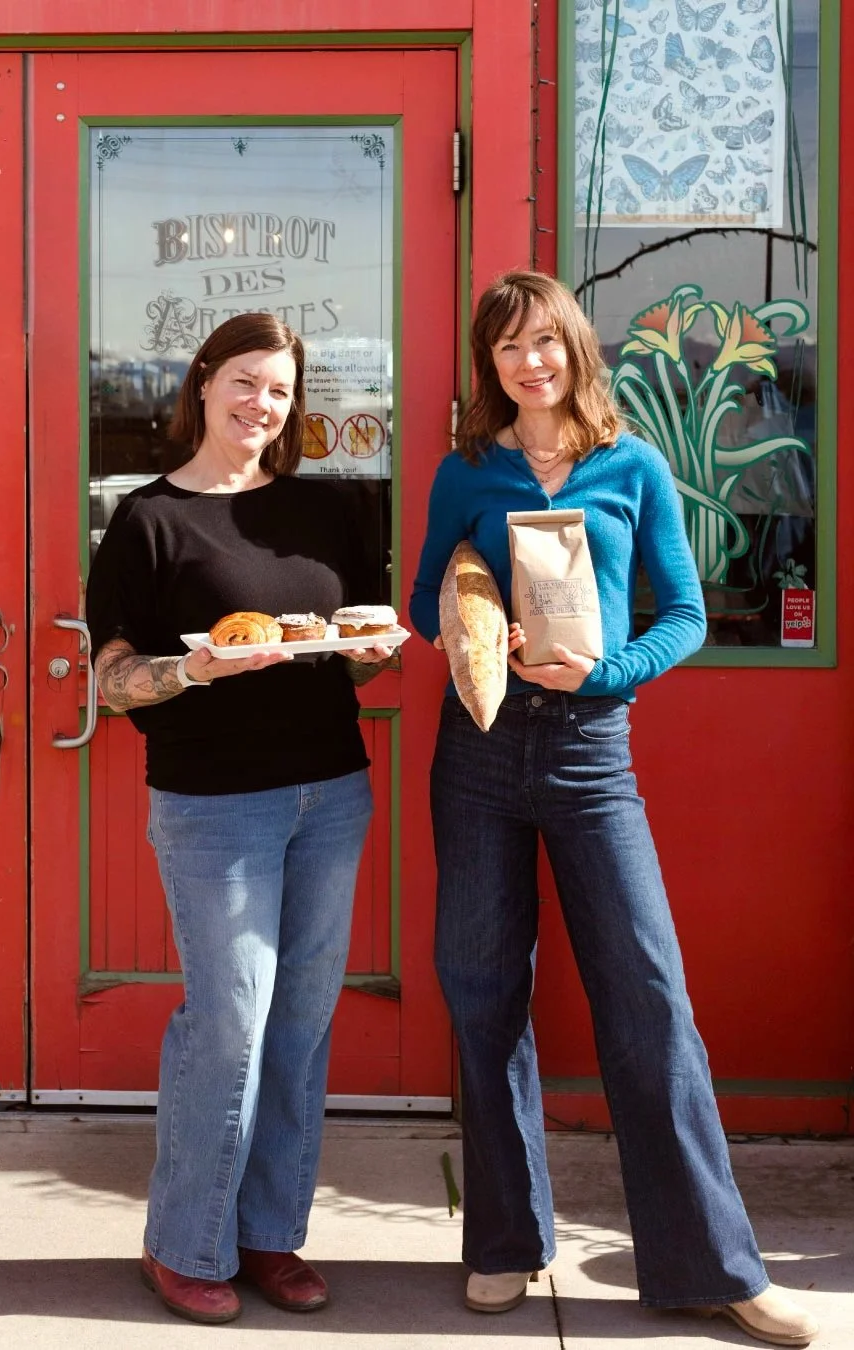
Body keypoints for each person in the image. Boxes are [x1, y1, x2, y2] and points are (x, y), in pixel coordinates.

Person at [408, 271, 819, 1349]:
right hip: (481, 753)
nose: (528, 362)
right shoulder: (468, 470)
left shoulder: (632, 464)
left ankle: (713, 1264)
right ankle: (502, 1242)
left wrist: (606, 671)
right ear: (489, 366)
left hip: (592, 753)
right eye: (506, 349)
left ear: (575, 349)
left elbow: (682, 614)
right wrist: (467, 597)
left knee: (648, 997)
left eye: (545, 341)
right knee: (484, 993)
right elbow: (418, 606)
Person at [86, 313, 392, 1326]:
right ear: (205, 381)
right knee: (229, 1024)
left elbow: (358, 634)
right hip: (214, 805)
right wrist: (192, 667)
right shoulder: (148, 520)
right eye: (246, 382)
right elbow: (116, 682)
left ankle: (269, 1236)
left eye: (280, 389)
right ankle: (184, 1242)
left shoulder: (331, 511)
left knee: (300, 1024)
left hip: (331, 792)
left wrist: (373, 647)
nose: (262, 404)